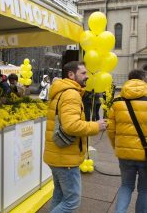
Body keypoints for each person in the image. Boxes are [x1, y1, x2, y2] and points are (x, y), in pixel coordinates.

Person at [44, 61, 107, 213]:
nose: (87, 77)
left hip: (59, 155)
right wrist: (95, 126)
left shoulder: (62, 91)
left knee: (59, 196)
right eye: (83, 73)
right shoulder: (71, 94)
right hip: (66, 158)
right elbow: (71, 126)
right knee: (71, 202)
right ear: (71, 74)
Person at [107, 69, 147, 213]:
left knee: (126, 186)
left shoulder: (117, 101)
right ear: (144, 80)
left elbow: (111, 130)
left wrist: (117, 147)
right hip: (145, 154)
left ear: (128, 80)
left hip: (124, 153)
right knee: (144, 190)